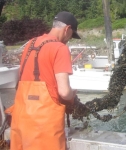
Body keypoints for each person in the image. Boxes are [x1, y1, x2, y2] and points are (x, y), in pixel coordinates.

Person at [5, 11, 81, 150]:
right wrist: (73, 95)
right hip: (44, 125)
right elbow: (64, 92)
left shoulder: (30, 44)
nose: (69, 39)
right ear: (67, 29)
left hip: (20, 119)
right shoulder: (60, 48)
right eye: (72, 34)